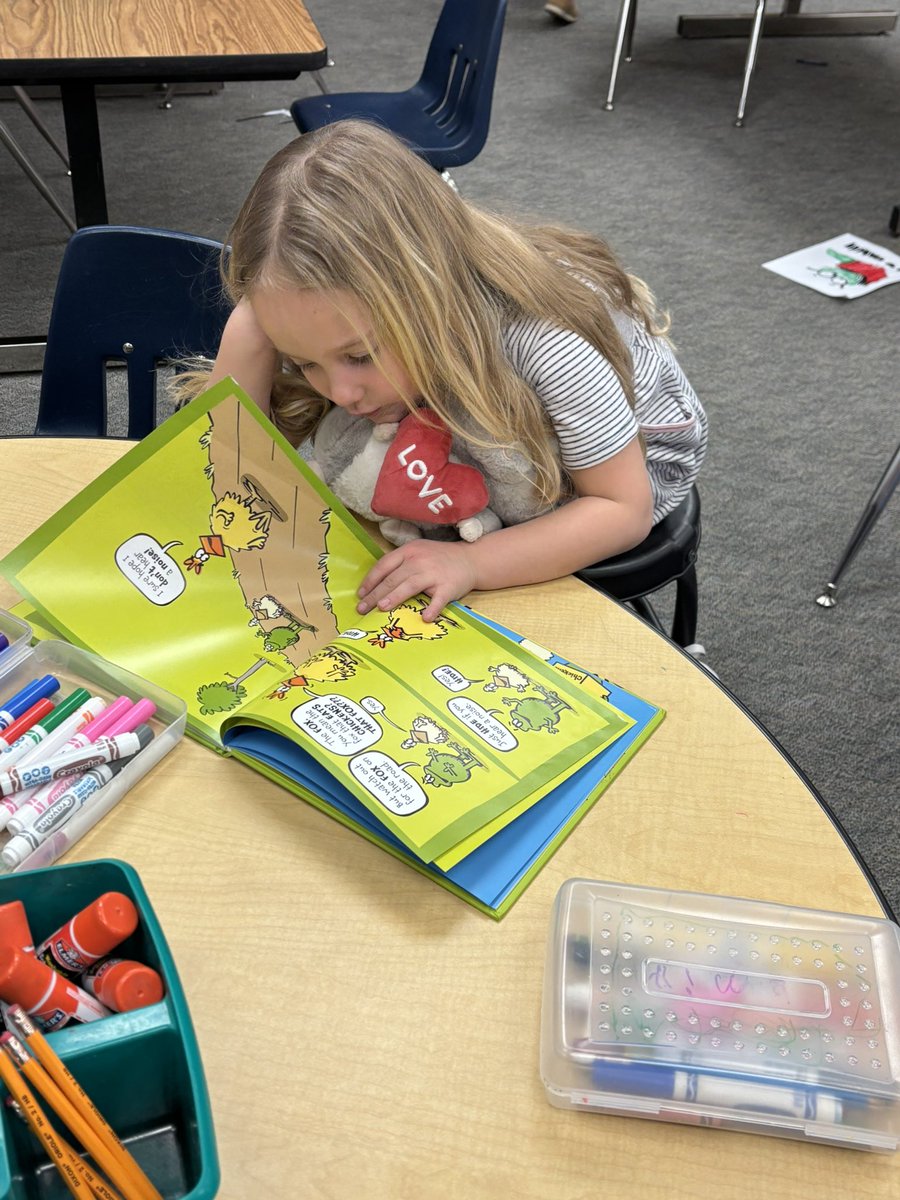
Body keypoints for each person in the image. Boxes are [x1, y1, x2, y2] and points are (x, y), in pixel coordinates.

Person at [199, 119, 707, 621]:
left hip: (623, 470)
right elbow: (223, 471)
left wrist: (472, 562)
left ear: (427, 294)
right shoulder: (330, 318)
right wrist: (253, 325)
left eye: (359, 356)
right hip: (468, 383)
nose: (342, 392)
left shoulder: (546, 342)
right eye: (307, 363)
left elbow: (622, 510)